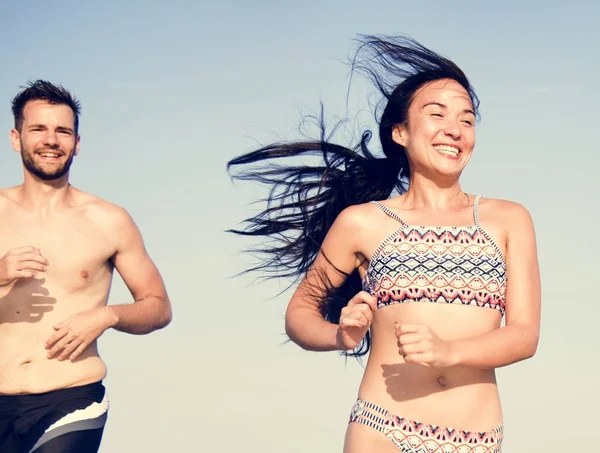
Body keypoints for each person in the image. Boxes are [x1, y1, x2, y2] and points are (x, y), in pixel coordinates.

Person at [227, 35, 541, 452]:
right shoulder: (362, 223)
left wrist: (449, 351)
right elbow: (299, 314)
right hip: (383, 426)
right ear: (400, 132)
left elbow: (524, 335)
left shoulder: (508, 219)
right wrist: (339, 334)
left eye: (467, 120)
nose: (455, 130)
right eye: (437, 115)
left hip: (476, 438)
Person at [0, 80, 172, 453]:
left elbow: (159, 306)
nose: (51, 140)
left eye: (63, 131)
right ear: (16, 138)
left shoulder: (109, 220)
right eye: (39, 129)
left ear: (77, 143)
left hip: (70, 399)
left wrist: (106, 316)